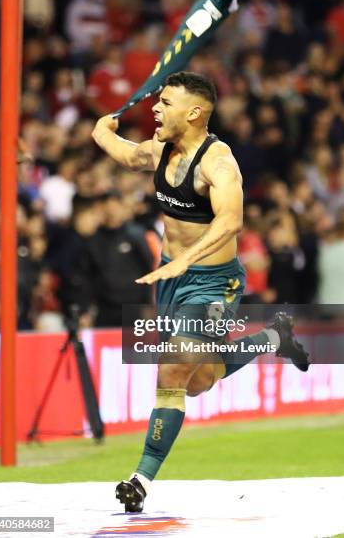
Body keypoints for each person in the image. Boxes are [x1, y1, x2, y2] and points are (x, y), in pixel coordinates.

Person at [92, 71, 309, 512]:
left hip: (214, 283)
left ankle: (140, 479)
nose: (154, 108)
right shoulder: (162, 150)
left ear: (193, 112)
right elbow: (131, 157)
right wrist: (100, 134)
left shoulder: (219, 162)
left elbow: (230, 222)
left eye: (165, 103)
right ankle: (274, 337)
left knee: (172, 372)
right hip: (171, 279)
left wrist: (186, 260)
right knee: (199, 383)